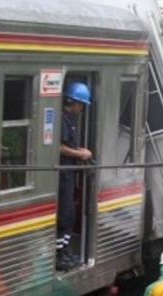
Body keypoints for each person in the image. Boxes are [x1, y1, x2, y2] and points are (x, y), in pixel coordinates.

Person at [56, 82, 93, 271]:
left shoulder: (69, 121)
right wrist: (80, 154)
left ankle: (65, 249)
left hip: (69, 173)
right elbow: (59, 147)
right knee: (64, 215)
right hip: (63, 175)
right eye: (81, 105)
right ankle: (58, 254)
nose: (82, 109)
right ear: (74, 103)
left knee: (70, 215)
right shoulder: (62, 119)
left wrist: (80, 151)